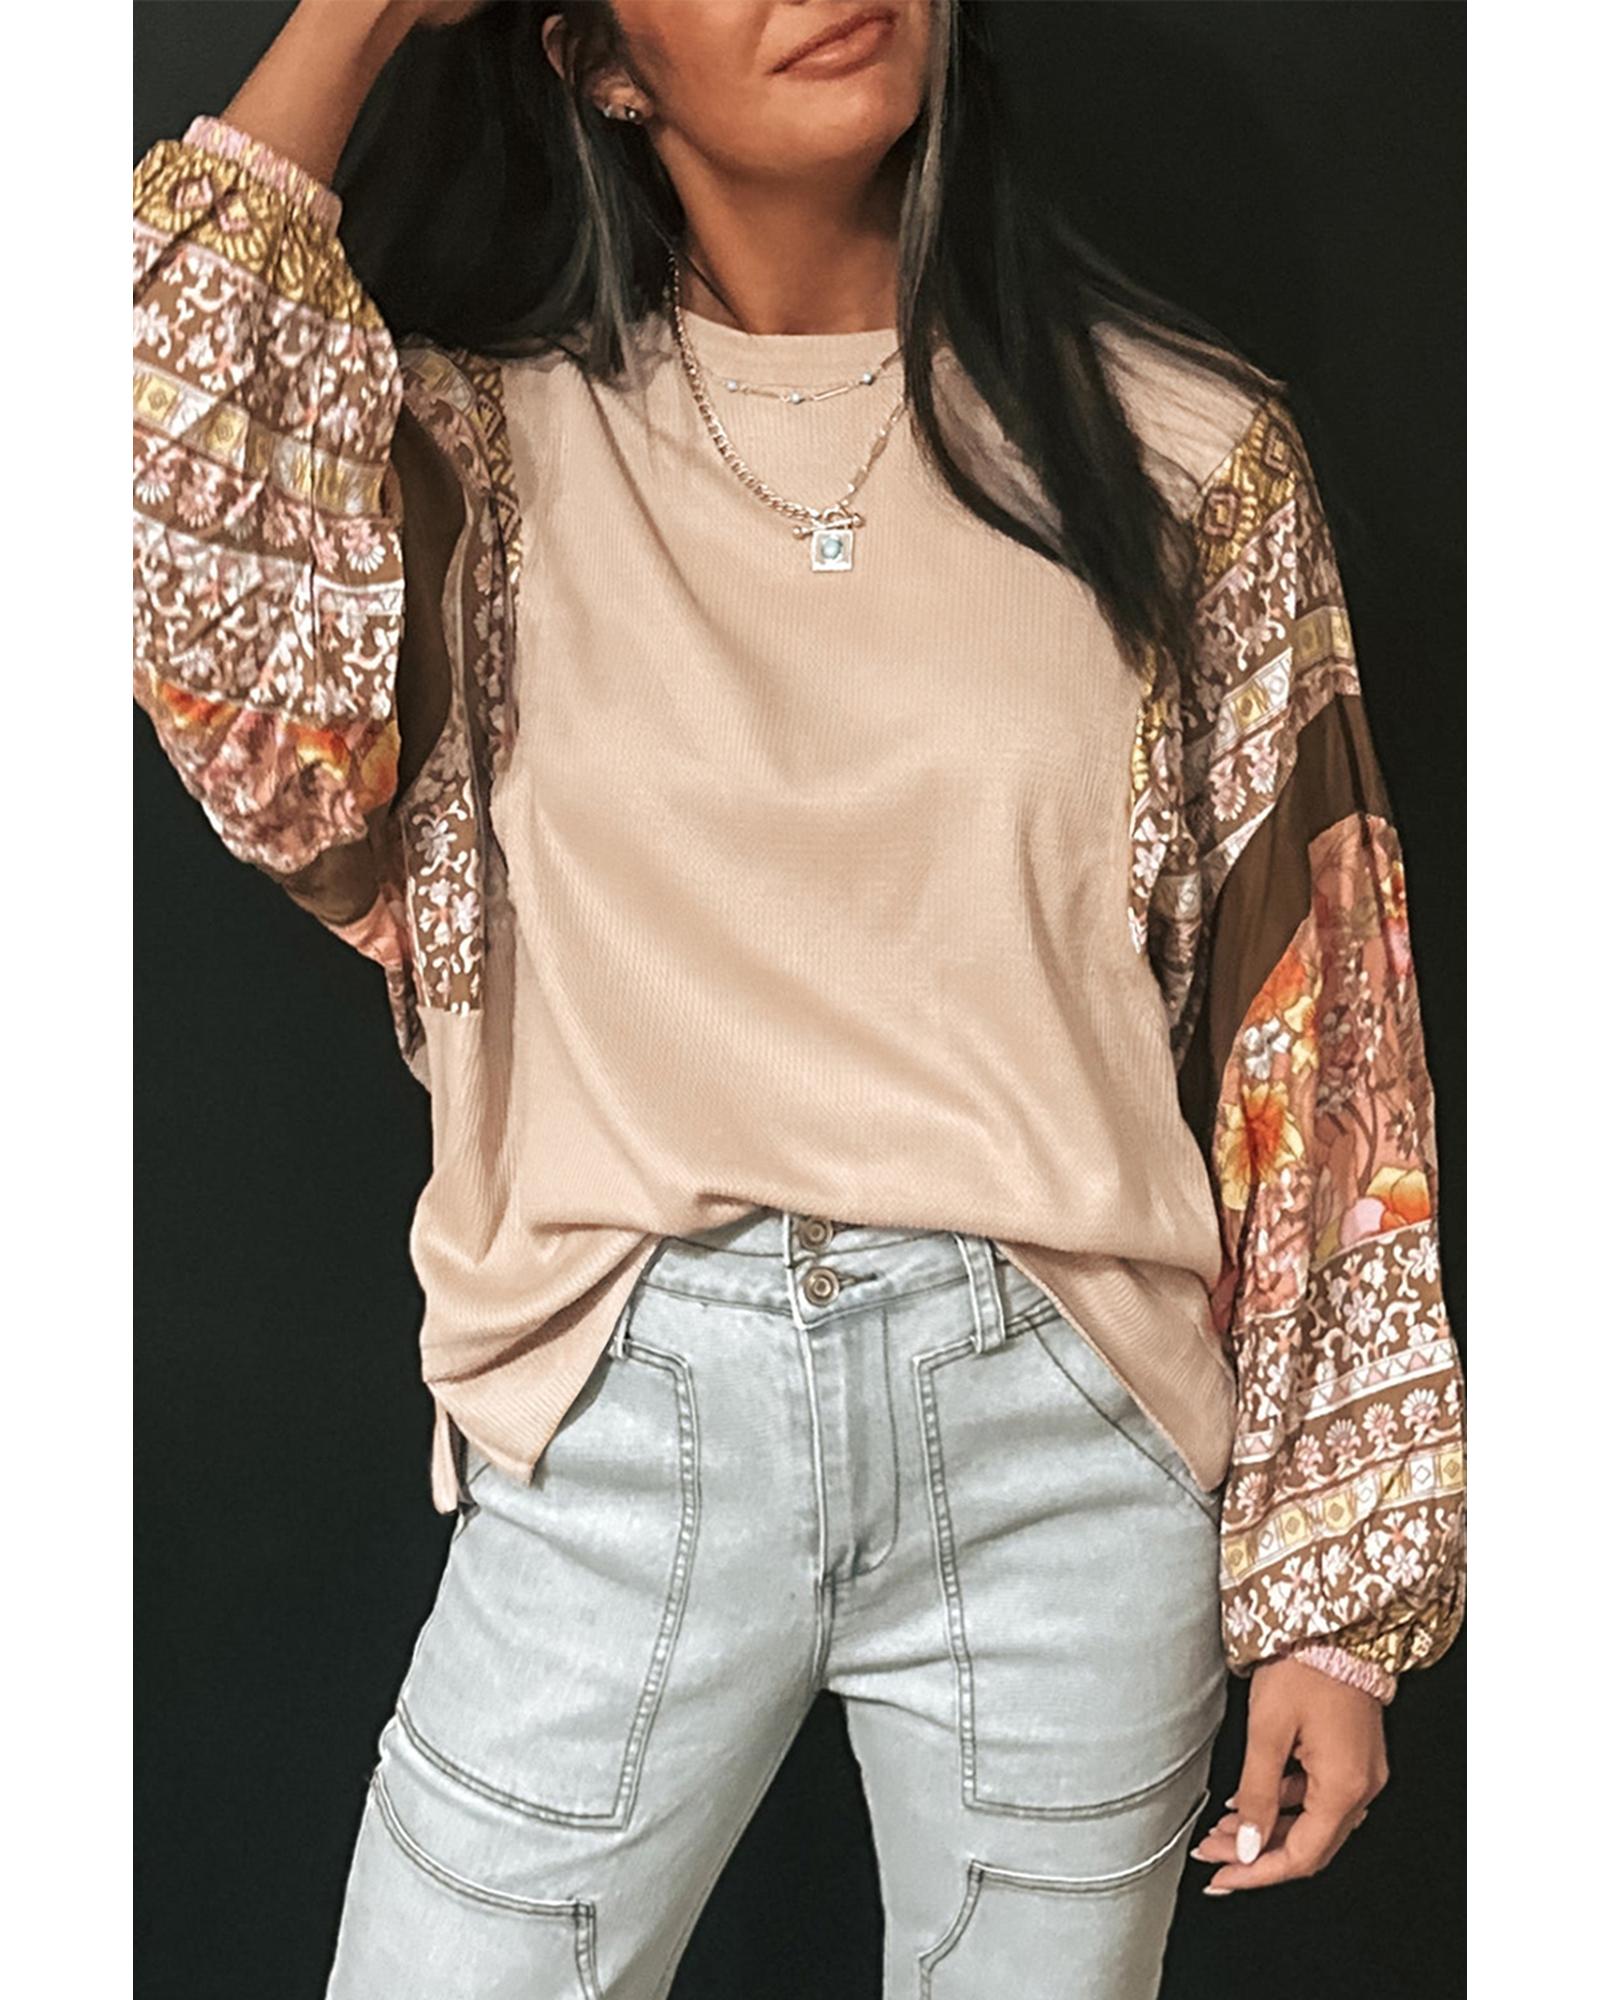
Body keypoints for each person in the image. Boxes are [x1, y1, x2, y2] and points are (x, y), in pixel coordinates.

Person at [131, 1, 1466, 1993]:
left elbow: (1323, 1025)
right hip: (622, 1410)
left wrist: (1335, 1600)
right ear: (600, 63)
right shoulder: (461, 467)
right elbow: (172, 508)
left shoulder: (1185, 456)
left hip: (1068, 1437)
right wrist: (360, 15)